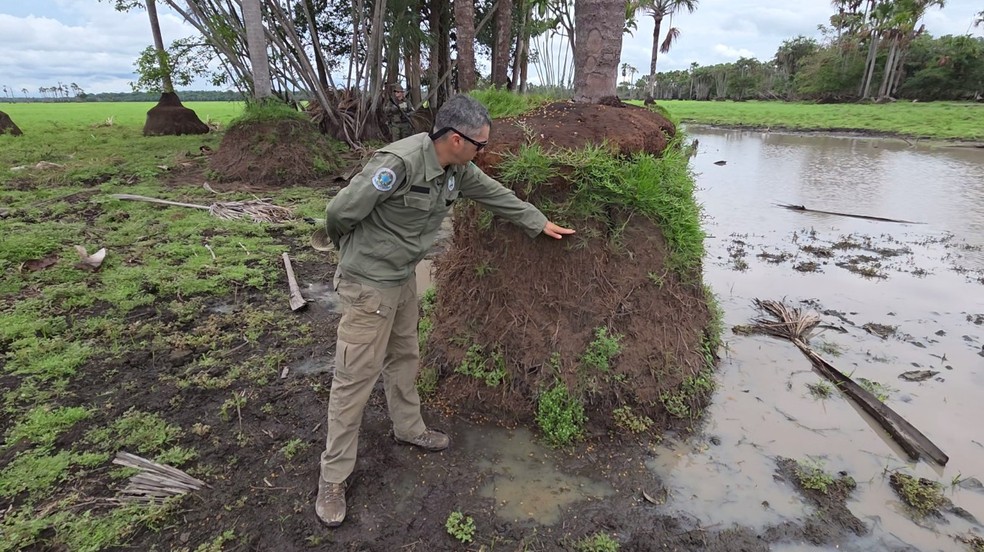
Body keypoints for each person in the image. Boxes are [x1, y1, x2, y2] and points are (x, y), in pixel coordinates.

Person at [316, 94, 575, 527]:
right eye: (480, 146)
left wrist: (536, 220)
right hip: (369, 287)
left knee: (405, 357)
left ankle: (408, 428)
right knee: (354, 381)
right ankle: (332, 479)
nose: (482, 153)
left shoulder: (455, 170)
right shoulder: (397, 164)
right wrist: (357, 258)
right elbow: (340, 213)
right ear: (456, 140)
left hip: (402, 280)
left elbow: (495, 194)